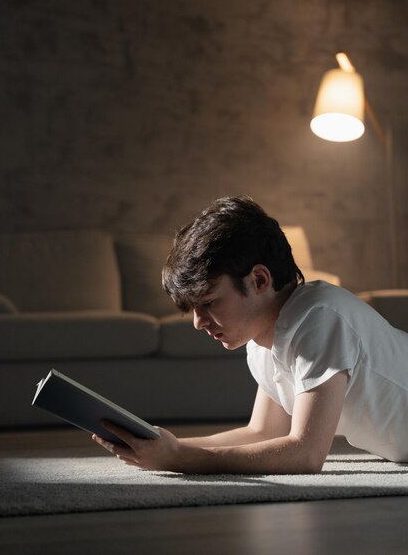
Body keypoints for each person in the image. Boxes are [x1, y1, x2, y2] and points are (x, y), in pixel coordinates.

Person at [93, 196, 408, 473]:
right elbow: (261, 433)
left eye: (209, 302)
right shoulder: (262, 342)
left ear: (259, 280)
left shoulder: (319, 317)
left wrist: (180, 458)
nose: (198, 322)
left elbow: (306, 454)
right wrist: (163, 446)